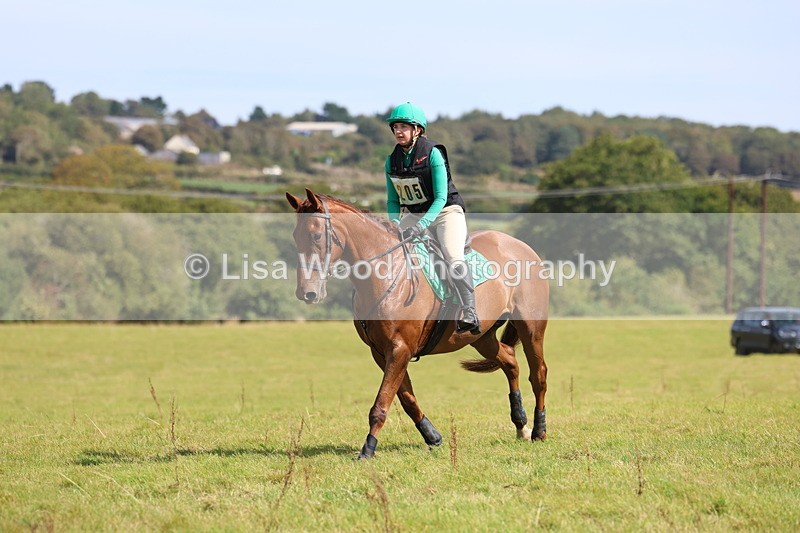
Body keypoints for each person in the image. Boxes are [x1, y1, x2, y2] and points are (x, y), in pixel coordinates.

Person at [384, 102, 480, 334]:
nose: (398, 131)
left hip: (446, 212)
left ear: (417, 130)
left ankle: (470, 311)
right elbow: (393, 201)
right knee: (389, 248)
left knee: (452, 255)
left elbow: (440, 197)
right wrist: (395, 224)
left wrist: (423, 224)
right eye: (396, 126)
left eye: (404, 126)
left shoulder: (433, 153)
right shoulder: (392, 161)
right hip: (415, 215)